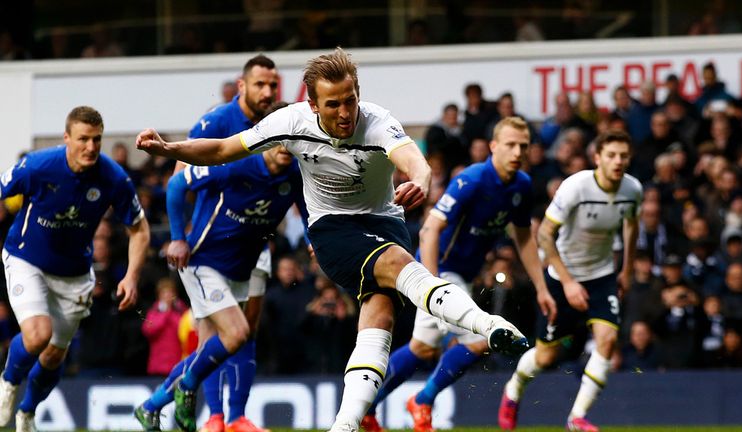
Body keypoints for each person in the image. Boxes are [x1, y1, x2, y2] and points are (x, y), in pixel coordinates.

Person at [135, 47, 529, 432]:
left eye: (350, 100)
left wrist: (422, 179)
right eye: (334, 104)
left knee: (380, 321)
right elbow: (222, 148)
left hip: (384, 223)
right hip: (333, 229)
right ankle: (487, 323)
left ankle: (345, 423)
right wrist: (171, 149)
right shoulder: (288, 122)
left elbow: (411, 157)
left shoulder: (376, 121)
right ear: (312, 104)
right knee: (396, 265)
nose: (345, 113)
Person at [361, 117, 557, 432]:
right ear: (494, 146)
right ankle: (422, 400)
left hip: (459, 276)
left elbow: (523, 238)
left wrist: (541, 288)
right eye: (510, 144)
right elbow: (430, 228)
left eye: (523, 145)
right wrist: (433, 286)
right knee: (481, 340)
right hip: (439, 272)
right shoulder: (473, 179)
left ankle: (368, 408)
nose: (517, 151)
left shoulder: (521, 185)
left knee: (422, 347)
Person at [133, 139, 306, 432]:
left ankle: (152, 407)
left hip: (242, 267)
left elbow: (309, 212)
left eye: (293, 142)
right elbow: (177, 184)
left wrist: (315, 245)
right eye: (280, 141)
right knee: (237, 333)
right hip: (204, 262)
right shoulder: (234, 161)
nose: (286, 148)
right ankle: (192, 392)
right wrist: (177, 237)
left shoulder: (296, 174)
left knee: (213, 348)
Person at [0, 106, 150, 431]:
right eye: (83, 139)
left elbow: (139, 228)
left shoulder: (113, 178)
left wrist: (132, 275)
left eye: (97, 139)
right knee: (38, 335)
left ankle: (27, 412)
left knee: (54, 356)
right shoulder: (38, 167)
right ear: (67, 138)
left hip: (75, 274)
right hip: (26, 259)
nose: (91, 147)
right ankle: (9, 383)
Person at [498, 130, 641, 432]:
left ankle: (576, 418)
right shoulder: (575, 186)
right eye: (612, 155)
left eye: (623, 156)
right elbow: (546, 236)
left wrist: (626, 269)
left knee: (608, 339)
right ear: (597, 157)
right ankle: (513, 390)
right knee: (546, 355)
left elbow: (631, 226)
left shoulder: (632, 189)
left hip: (601, 276)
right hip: (561, 275)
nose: (618, 161)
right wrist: (568, 283)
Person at [172, 53, 281, 432]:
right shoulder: (219, 120)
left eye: (273, 85)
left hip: (256, 244)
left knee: (244, 330)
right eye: (260, 85)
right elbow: (180, 173)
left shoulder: (276, 123)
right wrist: (182, 236)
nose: (267, 92)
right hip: (215, 244)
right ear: (243, 86)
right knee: (221, 334)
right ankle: (214, 416)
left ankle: (236, 417)